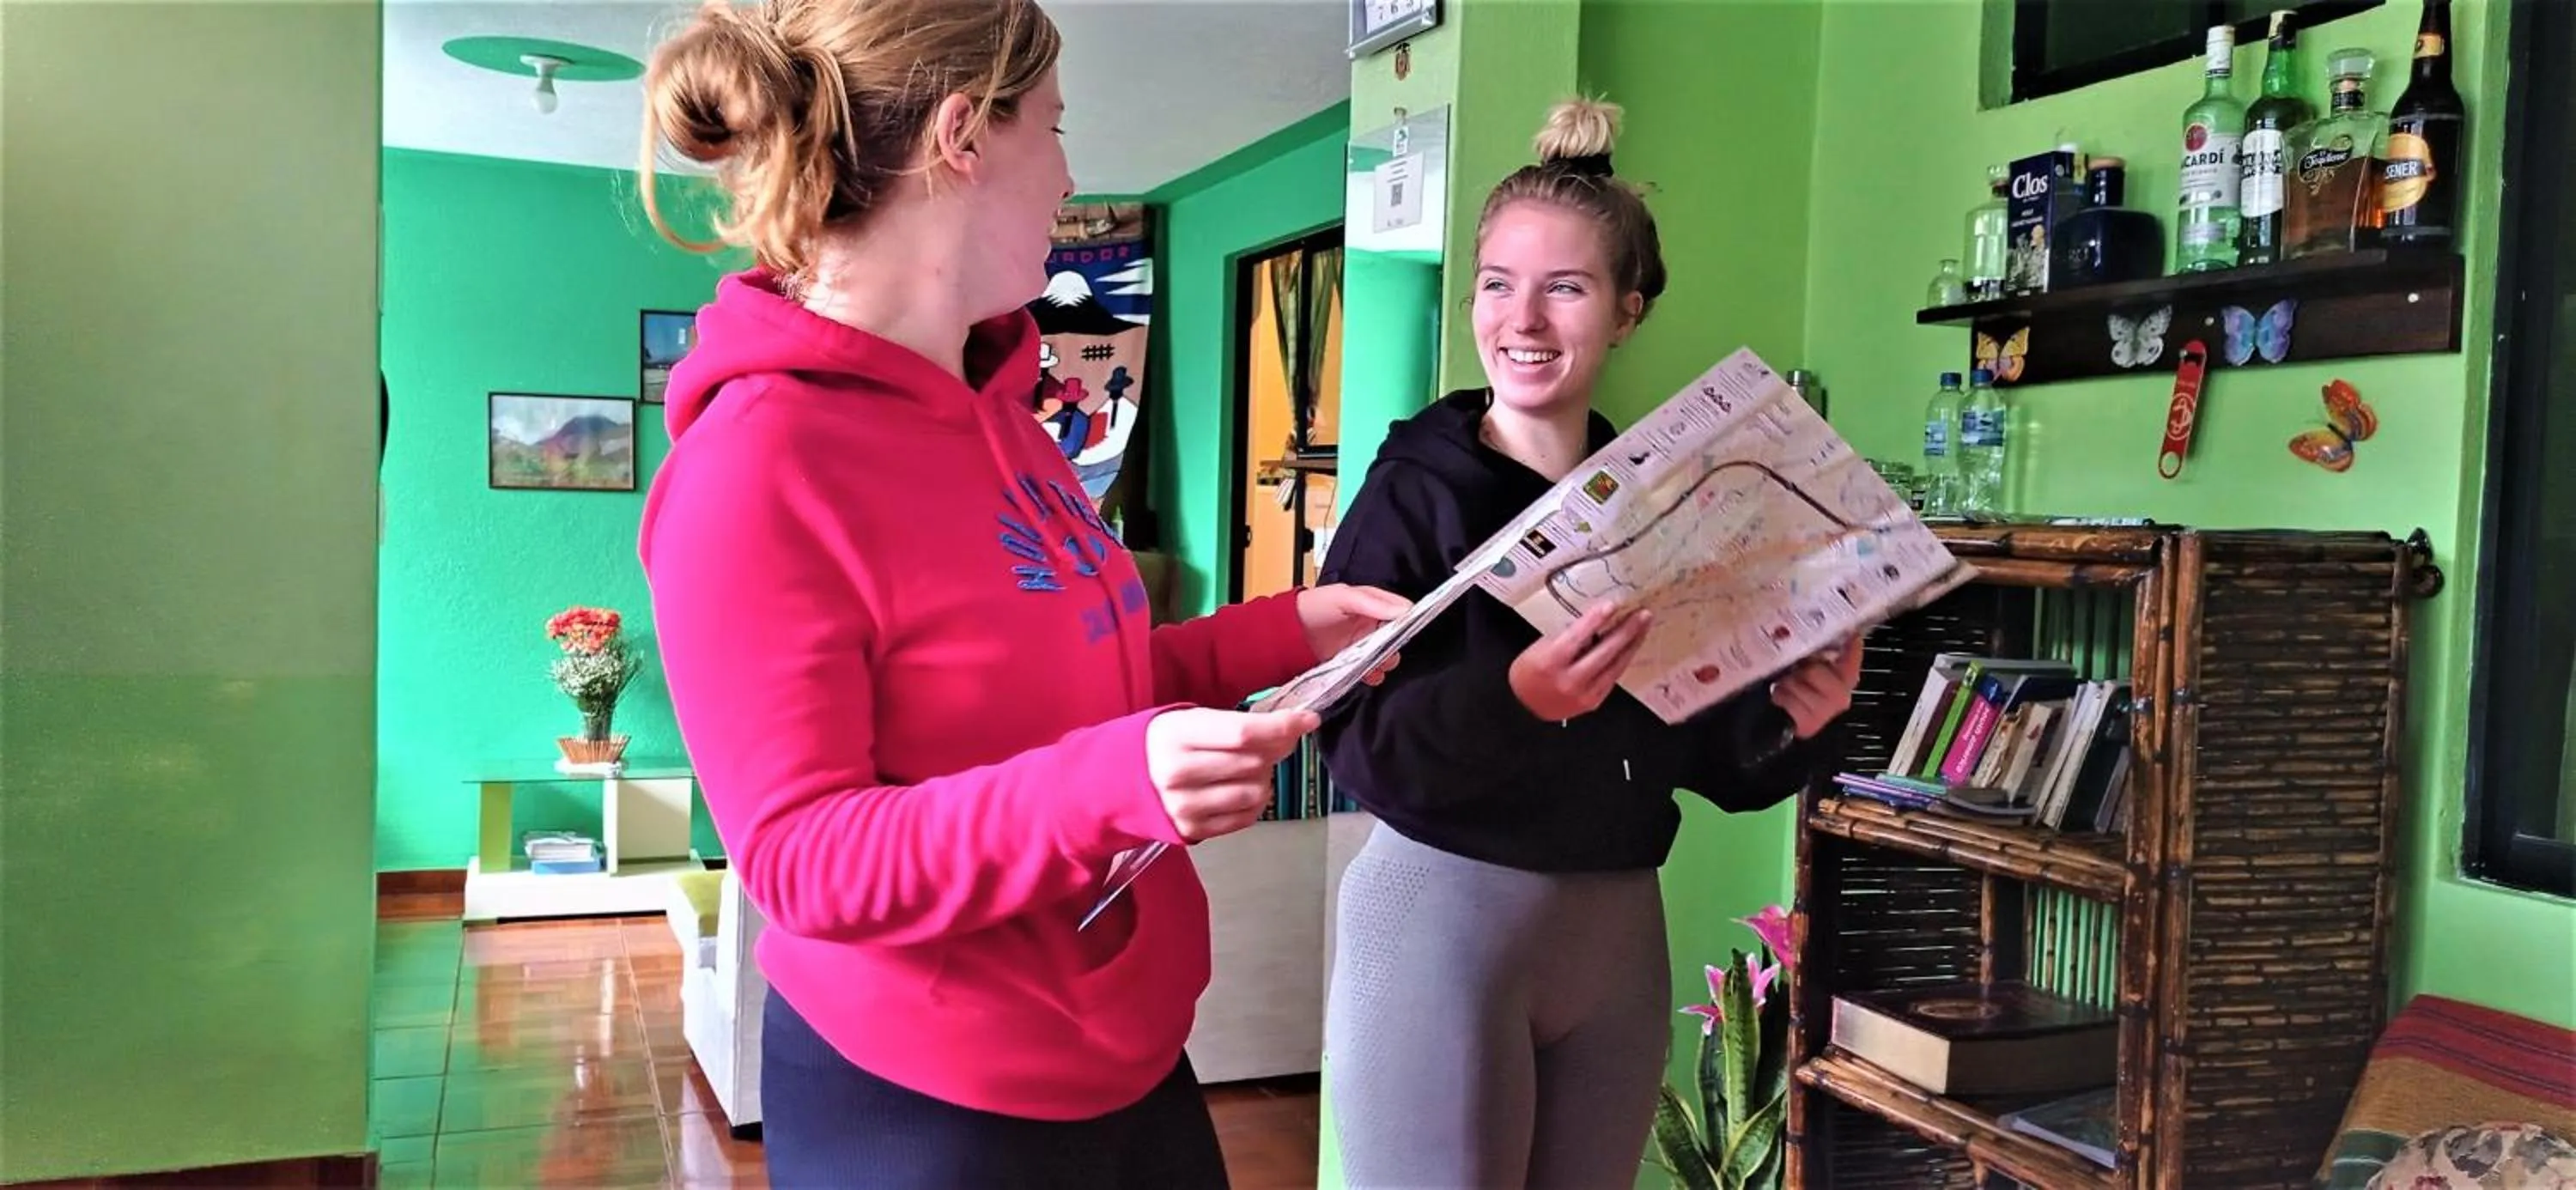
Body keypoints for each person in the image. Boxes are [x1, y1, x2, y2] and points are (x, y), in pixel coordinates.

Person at [629, 1, 1408, 1185]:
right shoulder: (757, 463)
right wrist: (1117, 782)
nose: (1067, 171)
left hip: (1127, 1047)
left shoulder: (1005, 407)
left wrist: (1286, 629)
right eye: (1054, 125)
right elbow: (800, 856)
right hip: (929, 1096)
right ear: (962, 138)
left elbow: (1066, 689)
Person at [1315, 96, 1865, 1190]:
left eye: (1564, 286)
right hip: (1442, 920)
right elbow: (1347, 734)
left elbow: (1704, 752)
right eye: (1498, 284)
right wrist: (1517, 697)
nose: (1524, 319)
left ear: (1627, 311)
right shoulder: (1415, 491)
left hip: (1617, 932)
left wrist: (1790, 725)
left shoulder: (1671, 502)